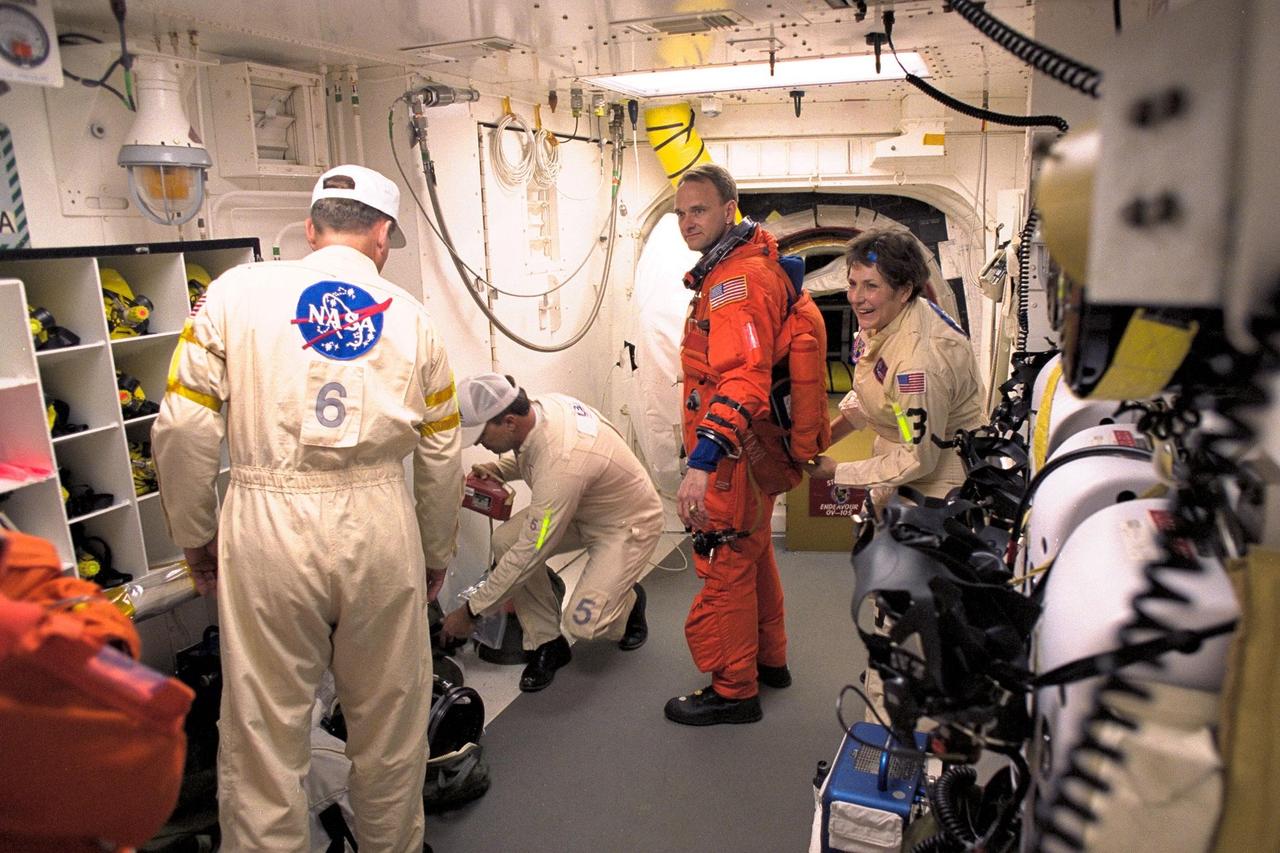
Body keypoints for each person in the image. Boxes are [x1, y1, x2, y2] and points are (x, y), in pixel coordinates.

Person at [152, 164, 463, 852]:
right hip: (379, 522)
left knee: (264, 735)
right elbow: (441, 455)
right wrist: (436, 551)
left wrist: (196, 534)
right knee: (388, 726)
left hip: (265, 521)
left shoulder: (233, 294)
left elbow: (180, 427)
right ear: (382, 237)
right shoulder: (414, 320)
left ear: (310, 228)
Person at [668, 163, 795, 727]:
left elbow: (744, 377)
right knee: (753, 550)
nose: (686, 222)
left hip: (730, 456)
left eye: (698, 210)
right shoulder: (744, 267)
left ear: (729, 209)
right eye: (679, 212)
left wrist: (703, 461)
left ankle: (733, 688)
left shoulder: (735, 284)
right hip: (748, 450)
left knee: (724, 560)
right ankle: (770, 661)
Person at [441, 374, 662, 692]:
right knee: (505, 541)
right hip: (577, 506)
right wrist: (499, 470)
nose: (477, 443)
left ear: (509, 421)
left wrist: (471, 611)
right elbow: (536, 456)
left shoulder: (563, 460)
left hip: (626, 523)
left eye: (480, 435)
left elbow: (532, 547)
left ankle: (628, 600)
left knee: (585, 624)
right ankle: (548, 643)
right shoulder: (541, 411)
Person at [805, 228, 986, 506]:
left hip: (937, 485)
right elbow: (879, 397)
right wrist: (821, 440)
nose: (856, 297)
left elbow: (918, 458)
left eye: (871, 286)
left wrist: (837, 471)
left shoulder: (918, 364)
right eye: (853, 284)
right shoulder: (889, 317)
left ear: (904, 291)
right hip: (897, 458)